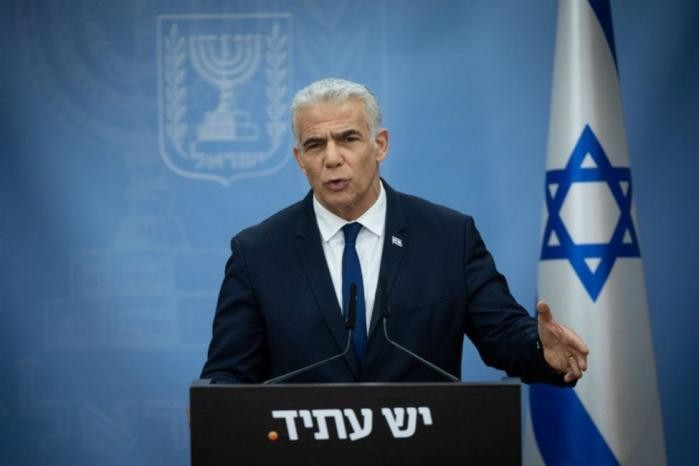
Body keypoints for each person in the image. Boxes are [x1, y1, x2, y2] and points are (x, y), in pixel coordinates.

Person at [201, 78, 588, 385]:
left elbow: (502, 333)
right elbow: (229, 372)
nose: (332, 158)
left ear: (380, 145)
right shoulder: (258, 252)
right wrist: (213, 408)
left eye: (348, 138)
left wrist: (541, 350)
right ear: (300, 159)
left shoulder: (448, 238)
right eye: (315, 145)